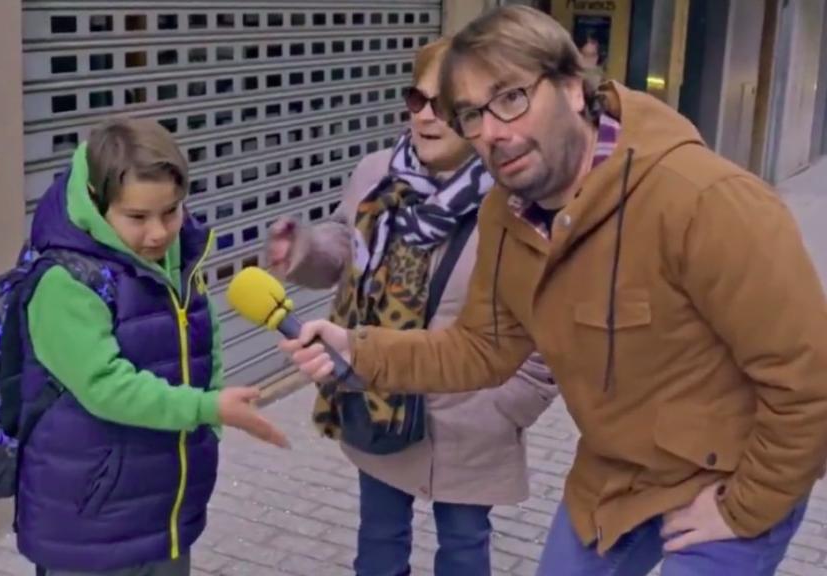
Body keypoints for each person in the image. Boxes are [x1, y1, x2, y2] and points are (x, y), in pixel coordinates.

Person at [279, 6, 827, 576]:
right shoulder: (506, 211)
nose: (492, 131)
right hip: (616, 476)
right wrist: (360, 350)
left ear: (571, 88)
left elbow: (810, 382)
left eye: (511, 98)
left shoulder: (706, 200)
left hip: (734, 472)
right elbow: (483, 347)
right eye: (471, 114)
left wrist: (746, 509)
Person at [266, 38, 557, 576]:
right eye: (416, 99)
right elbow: (344, 246)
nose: (426, 116)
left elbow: (550, 324)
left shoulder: (519, 197)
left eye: (444, 104)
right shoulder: (378, 172)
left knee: (465, 546)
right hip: (382, 394)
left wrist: (510, 404)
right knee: (378, 537)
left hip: (472, 409)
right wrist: (304, 249)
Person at [16, 118, 288, 576]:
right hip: (90, 522)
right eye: (137, 218)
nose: (160, 233)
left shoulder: (179, 256)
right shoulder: (64, 281)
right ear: (97, 204)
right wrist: (208, 409)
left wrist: (209, 424)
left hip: (163, 511)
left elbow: (208, 340)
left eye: (171, 211)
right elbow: (105, 386)